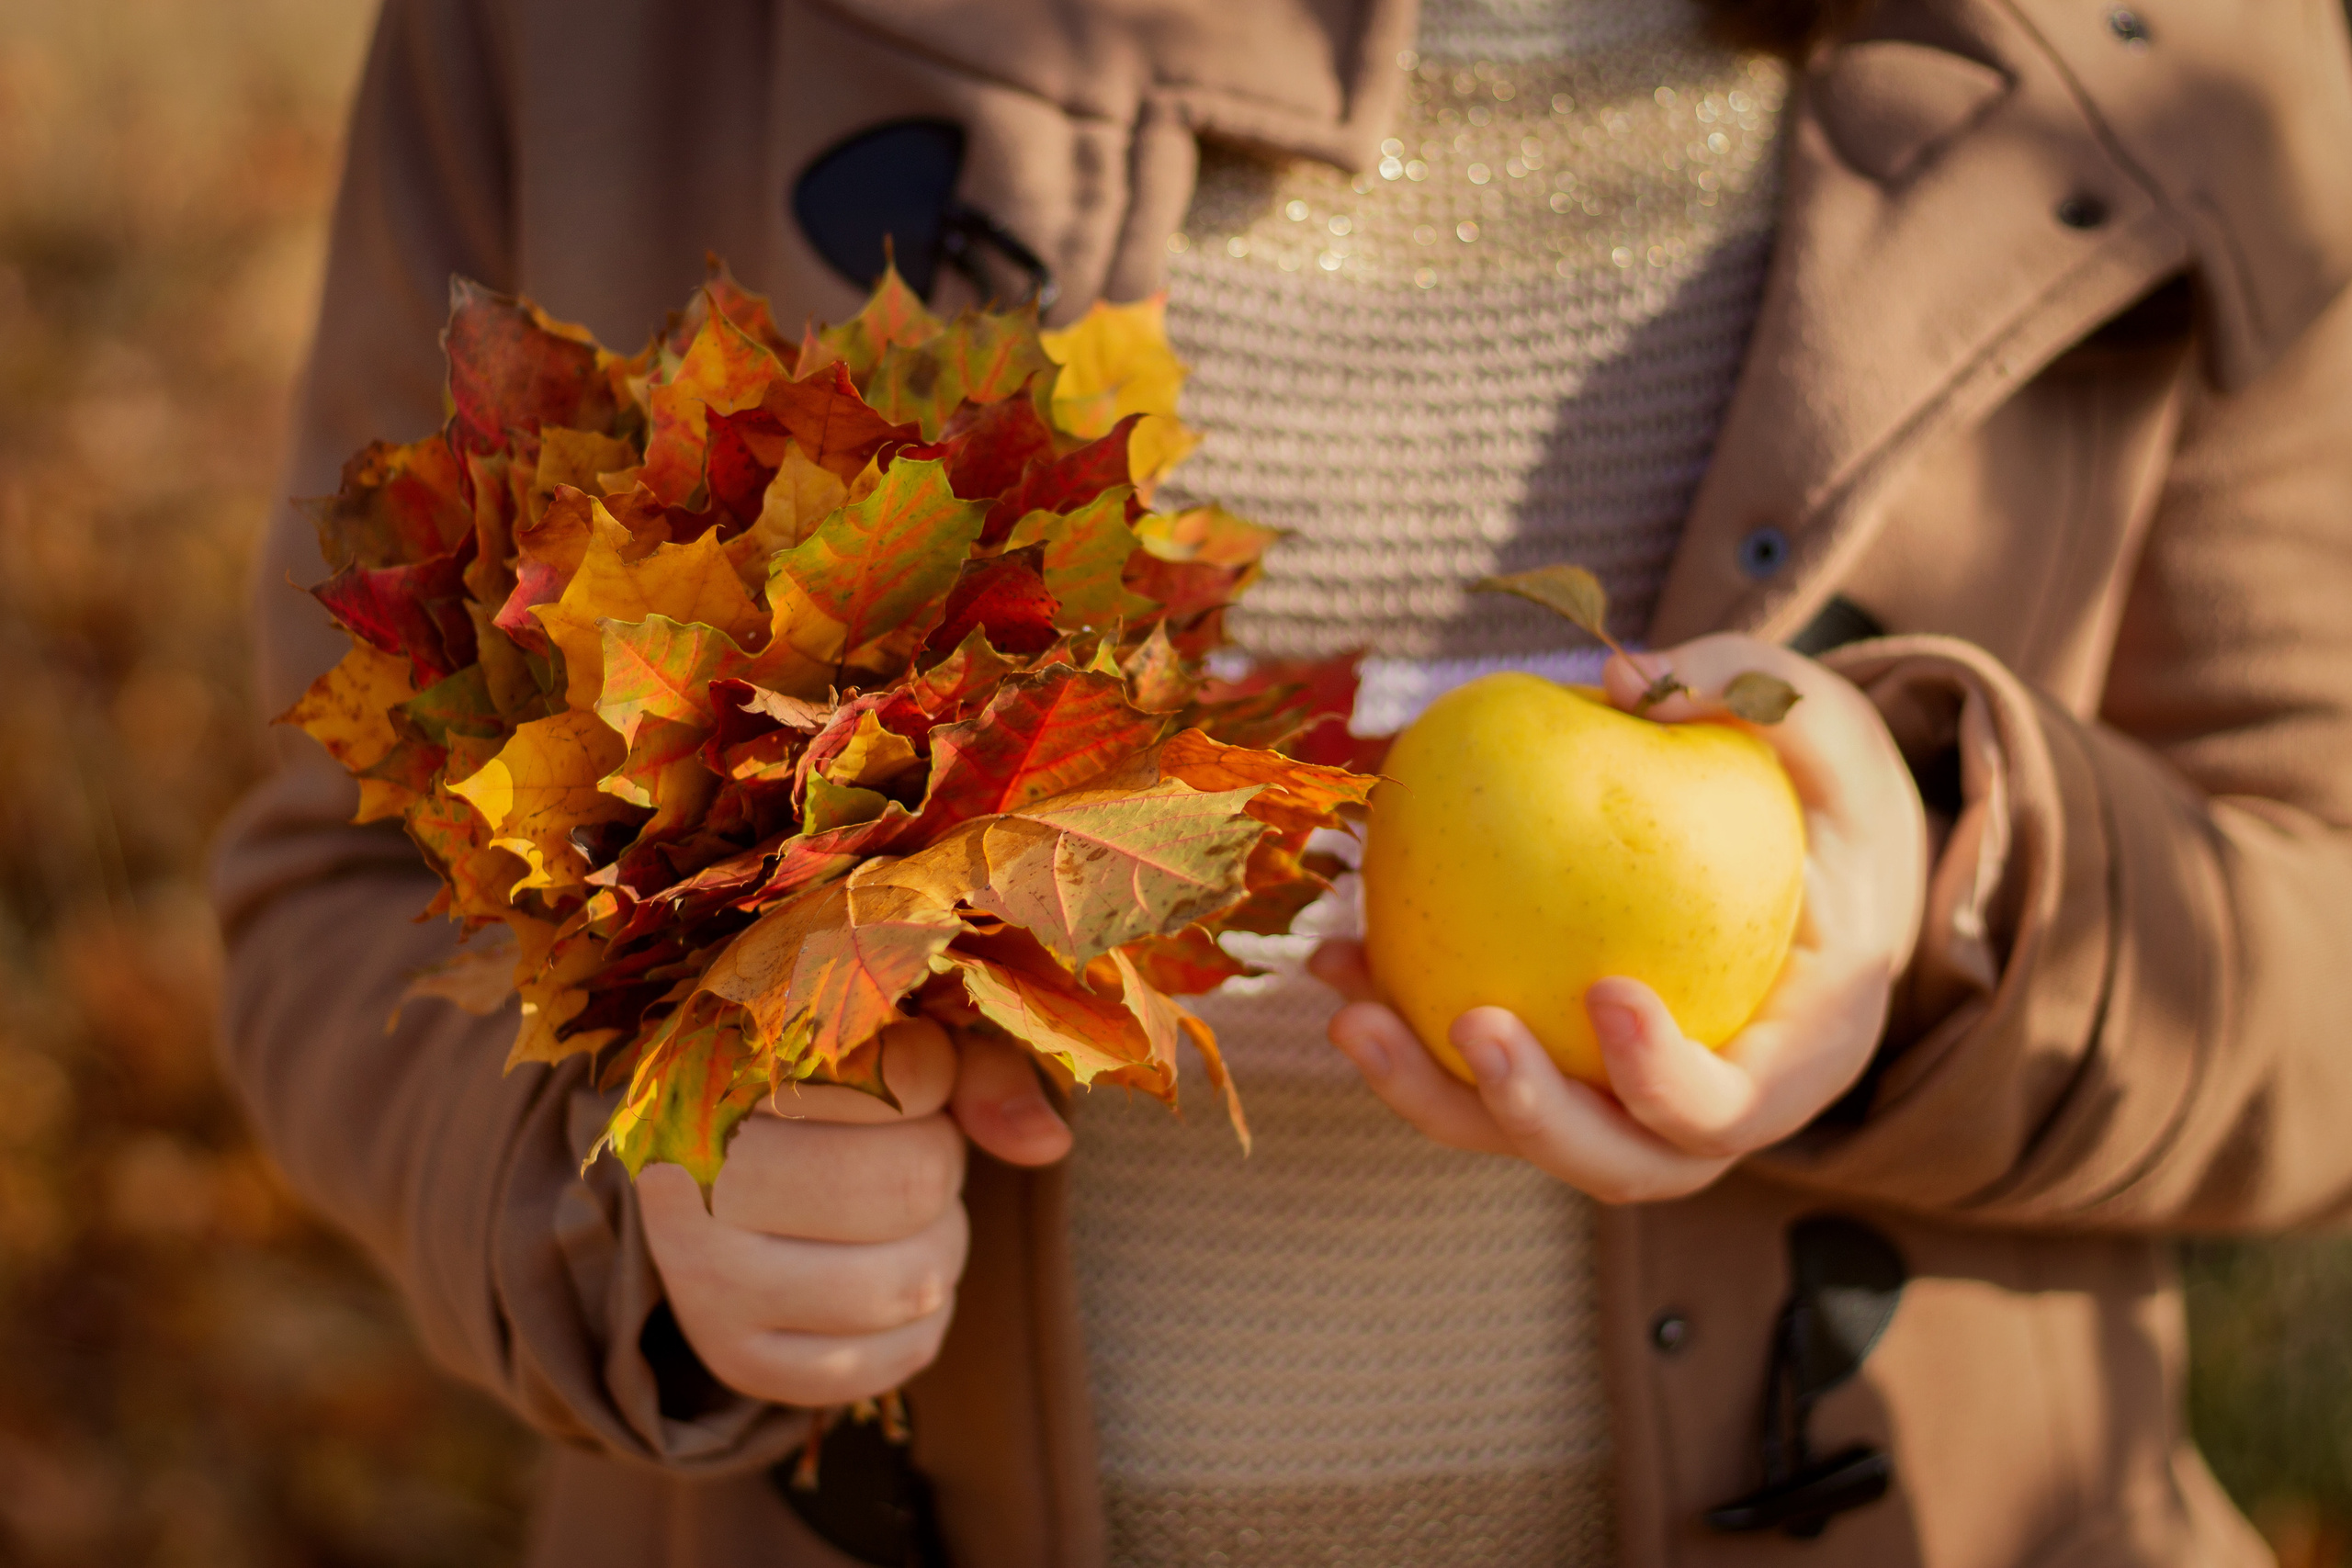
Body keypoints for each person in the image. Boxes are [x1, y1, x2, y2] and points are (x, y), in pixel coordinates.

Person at [209, 0, 2352, 1562]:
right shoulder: (610, 40)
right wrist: (623, 1179)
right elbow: (338, 873)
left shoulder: (2174, 62)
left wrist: (1955, 903)